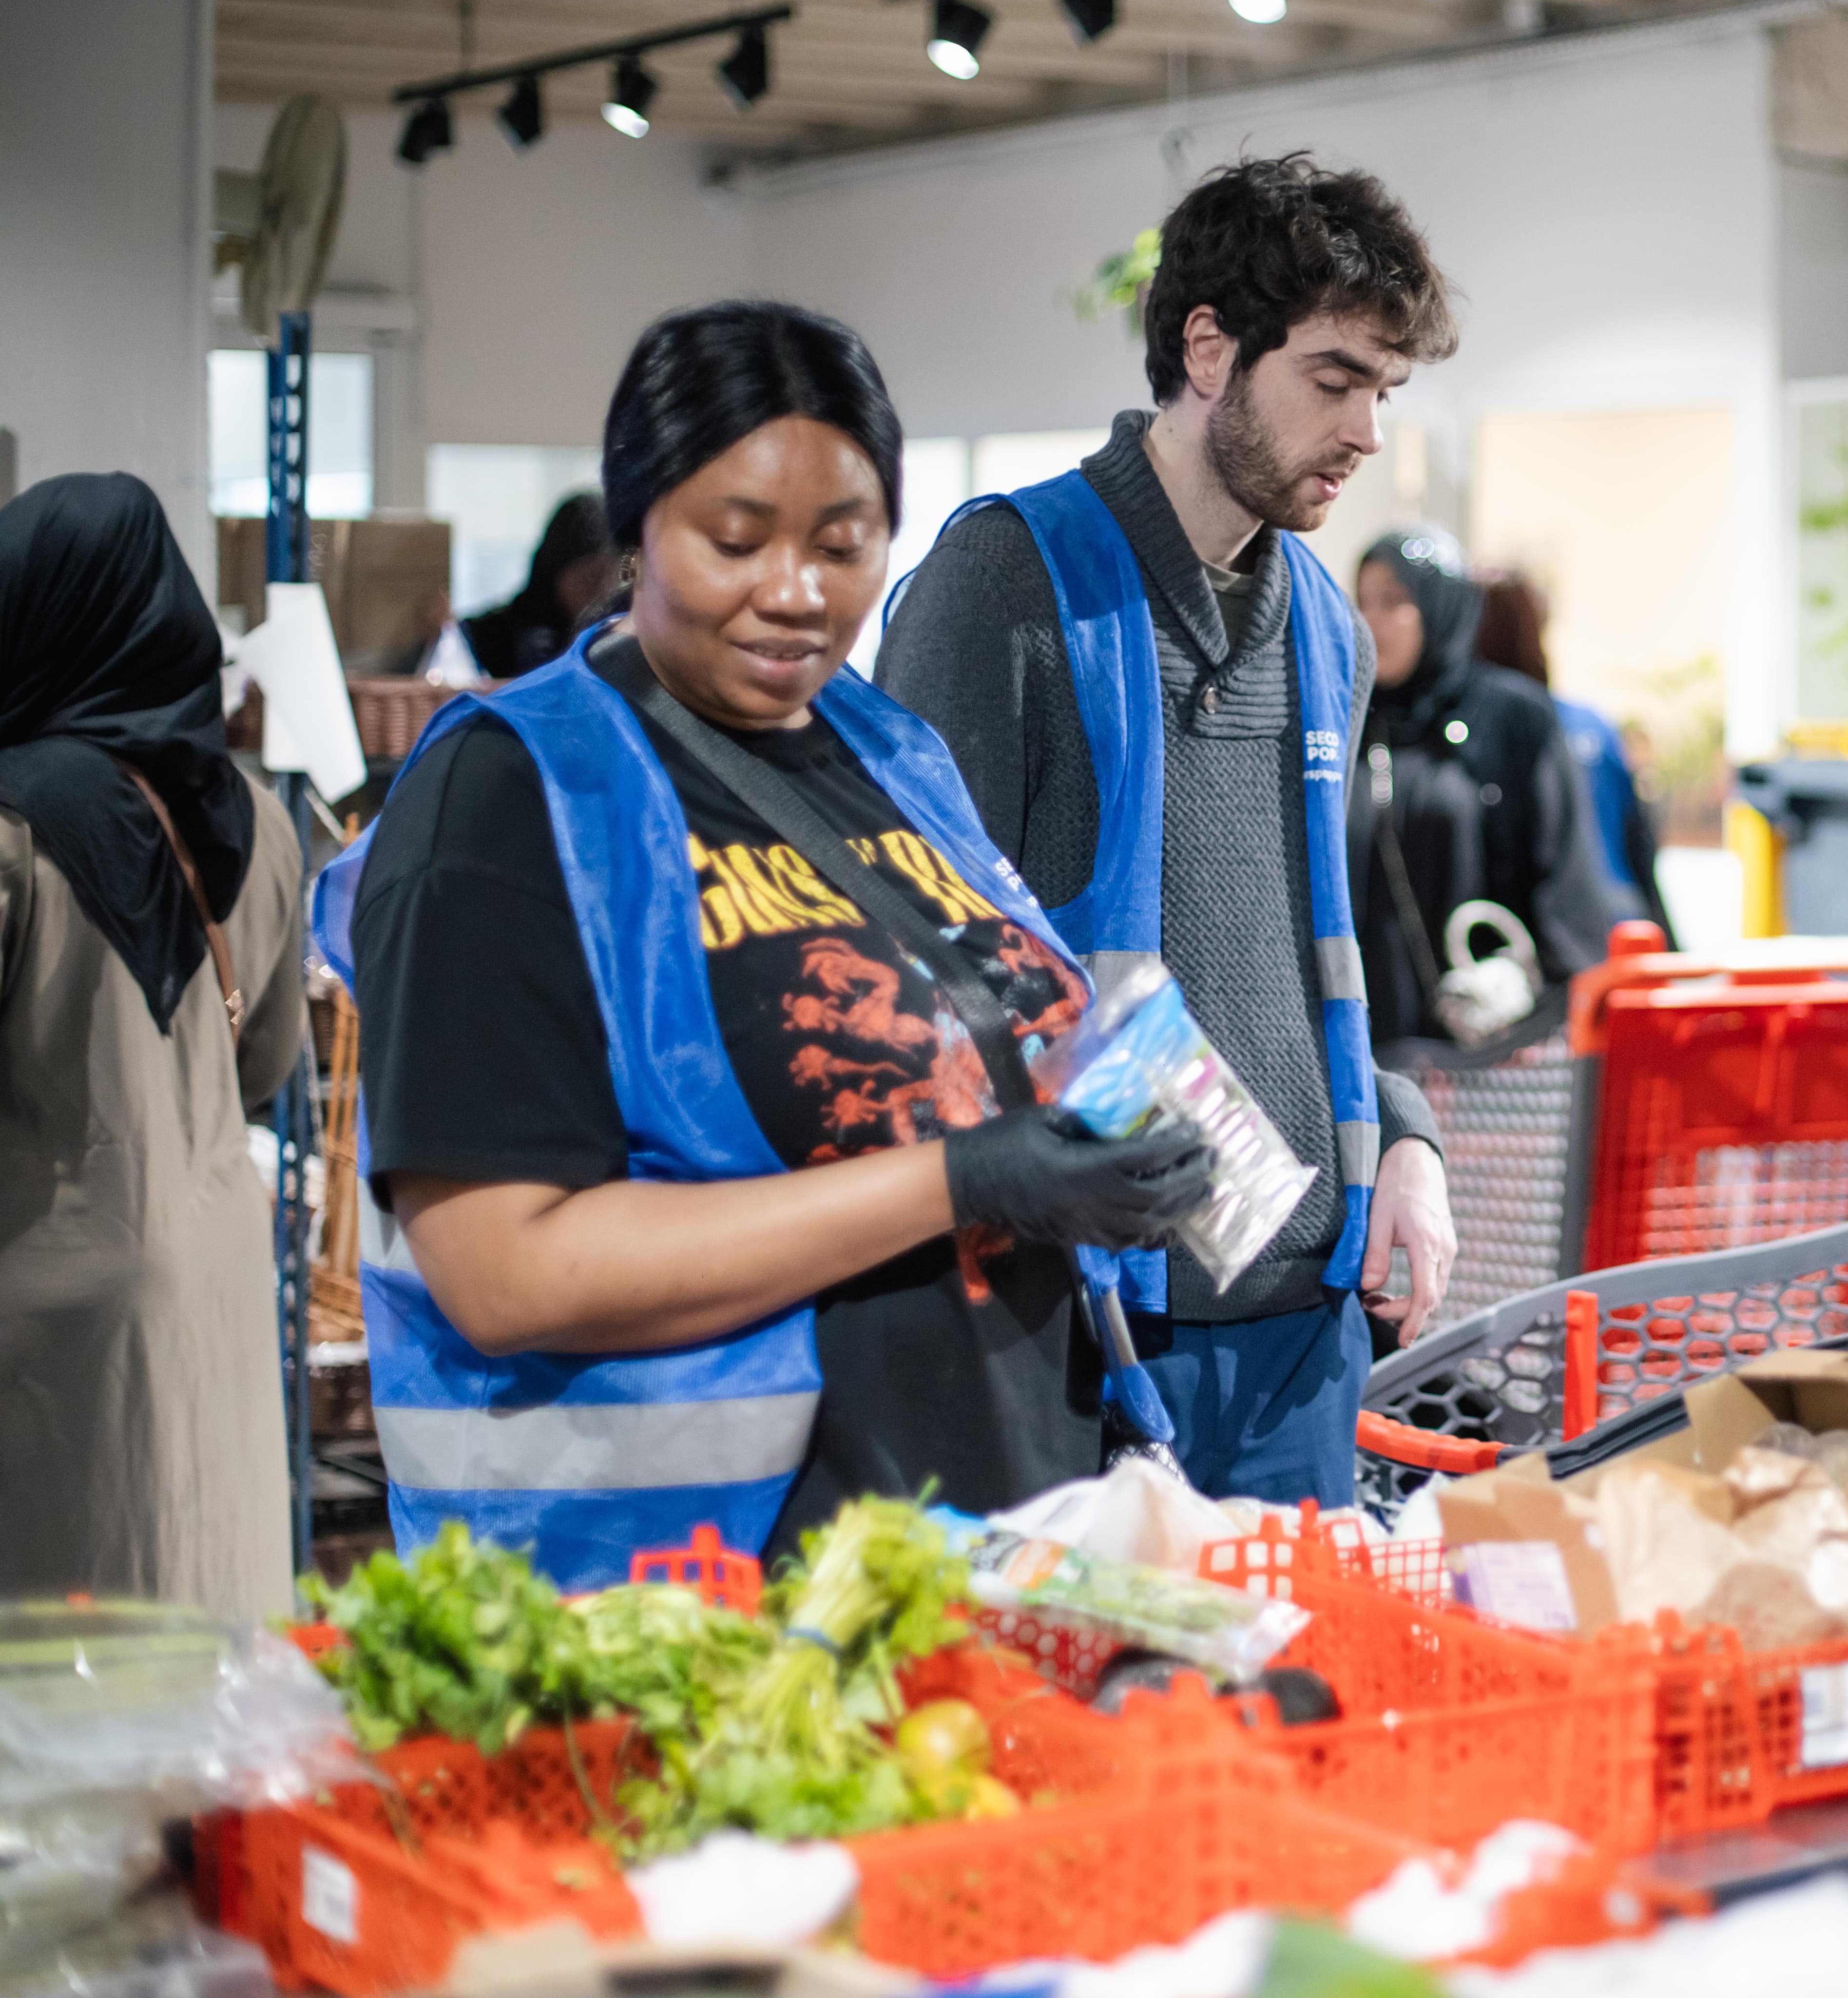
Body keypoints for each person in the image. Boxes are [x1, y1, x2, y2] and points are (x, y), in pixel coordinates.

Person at [328, 301, 1214, 1589]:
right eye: (736, 541)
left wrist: (1129, 1122)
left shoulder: (887, 748)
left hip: (998, 1532)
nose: (796, 594)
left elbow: (992, 1018)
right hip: (703, 1593)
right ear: (636, 529)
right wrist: (963, 1181)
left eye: (844, 545)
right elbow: (504, 1271)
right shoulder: (519, 792)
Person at [876, 154, 1462, 1507]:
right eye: (1334, 379)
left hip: (1303, 1333)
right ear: (1209, 348)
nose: (1368, 430)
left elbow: (1319, 965)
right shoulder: (1003, 587)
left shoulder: (1324, 627)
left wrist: (1408, 1136)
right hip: (1077, 1332)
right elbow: (909, 966)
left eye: (1385, 388)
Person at [0, 473, 308, 1616]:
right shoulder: (256, 817)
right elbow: (267, 1062)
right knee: (202, 1588)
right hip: (219, 1270)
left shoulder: (15, 828)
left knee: (62, 1663)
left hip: (49, 1306)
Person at [1348, 531, 1633, 1045]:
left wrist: (1543, 998)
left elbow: (1566, 887)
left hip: (1492, 1050)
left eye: (1394, 602)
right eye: (1363, 603)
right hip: (1370, 1047)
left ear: (1443, 607)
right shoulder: (1348, 722)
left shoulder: (1511, 718)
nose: (1373, 622)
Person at [1471, 567, 1671, 941]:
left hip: (1553, 941)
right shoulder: (1593, 725)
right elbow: (1639, 843)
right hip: (1622, 927)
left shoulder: (1482, 736)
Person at [461, 490, 614, 679]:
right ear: (555, 571)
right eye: (593, 577)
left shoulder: (612, 641)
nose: (604, 590)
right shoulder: (487, 638)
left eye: (615, 578)